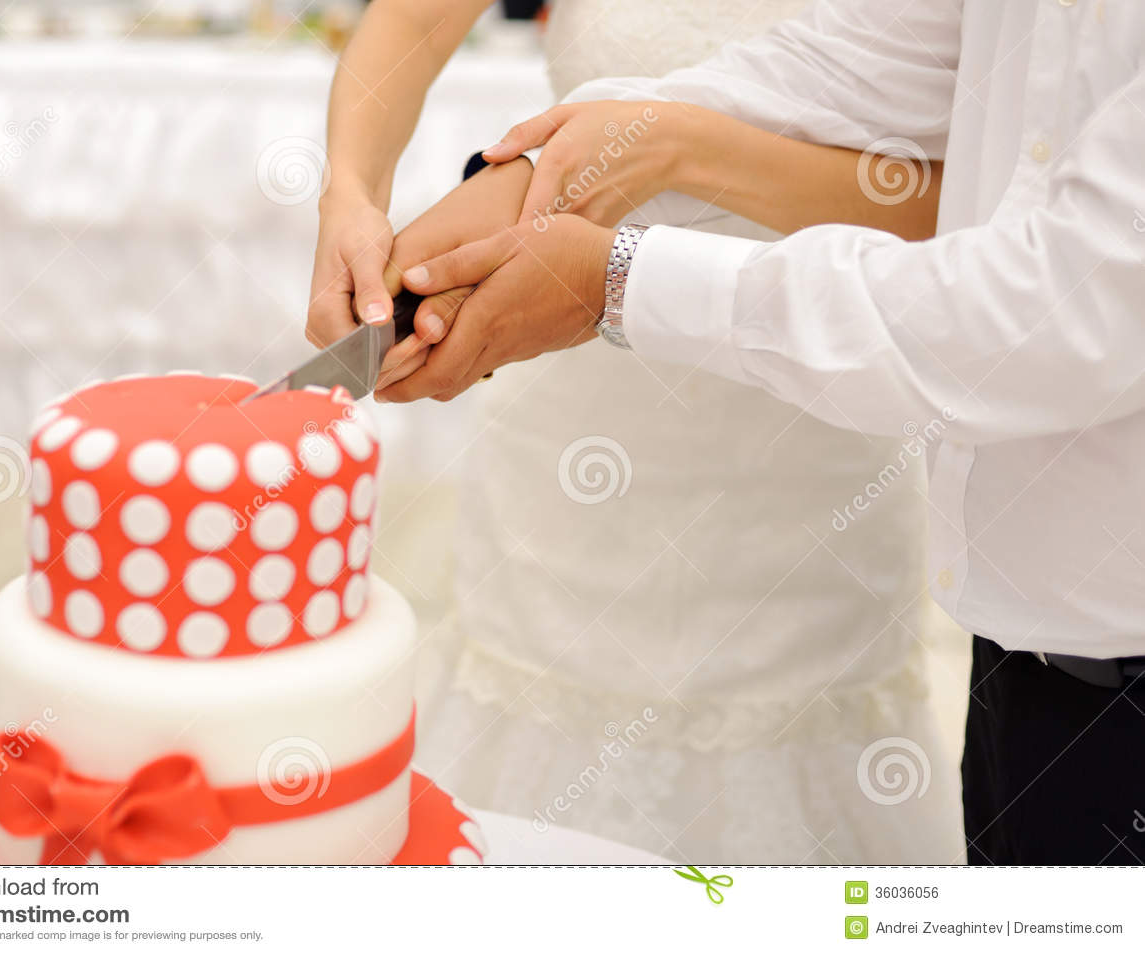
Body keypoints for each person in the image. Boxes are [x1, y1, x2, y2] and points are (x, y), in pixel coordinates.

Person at [383, 0, 1145, 865]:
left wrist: (624, 278)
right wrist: (533, 176)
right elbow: (861, 61)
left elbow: (1059, 313)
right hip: (1022, 655)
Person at [311, 0, 963, 862]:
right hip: (569, 430)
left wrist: (678, 157)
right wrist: (351, 190)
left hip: (810, 427)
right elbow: (412, 24)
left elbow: (940, 205)